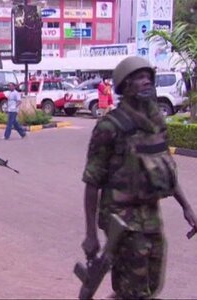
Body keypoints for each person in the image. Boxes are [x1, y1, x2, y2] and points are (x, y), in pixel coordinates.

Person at [81, 56, 197, 299]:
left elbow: (165, 166)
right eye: (139, 79)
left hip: (151, 216)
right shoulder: (109, 127)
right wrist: (91, 234)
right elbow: (92, 182)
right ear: (125, 86)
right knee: (133, 292)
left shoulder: (156, 123)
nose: (146, 83)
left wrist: (186, 207)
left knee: (151, 286)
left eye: (148, 78)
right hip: (121, 221)